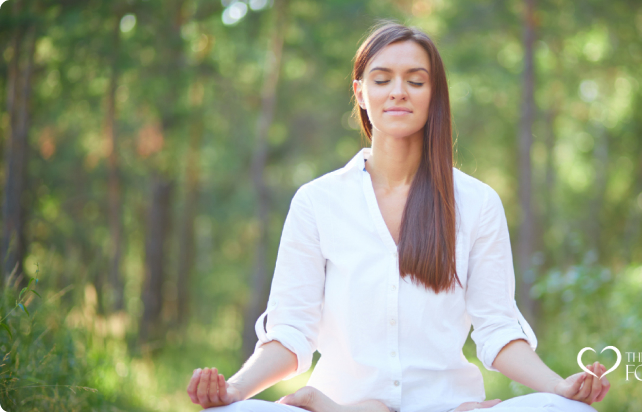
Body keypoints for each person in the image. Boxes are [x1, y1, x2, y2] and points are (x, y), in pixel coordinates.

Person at [186, 22, 611, 412]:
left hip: (447, 406)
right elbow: (291, 330)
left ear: (434, 94)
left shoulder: (477, 202)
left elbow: (497, 328)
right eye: (382, 79)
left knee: (569, 412)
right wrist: (234, 391)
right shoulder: (317, 201)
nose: (398, 92)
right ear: (360, 93)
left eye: (416, 81)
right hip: (343, 402)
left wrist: (559, 387)